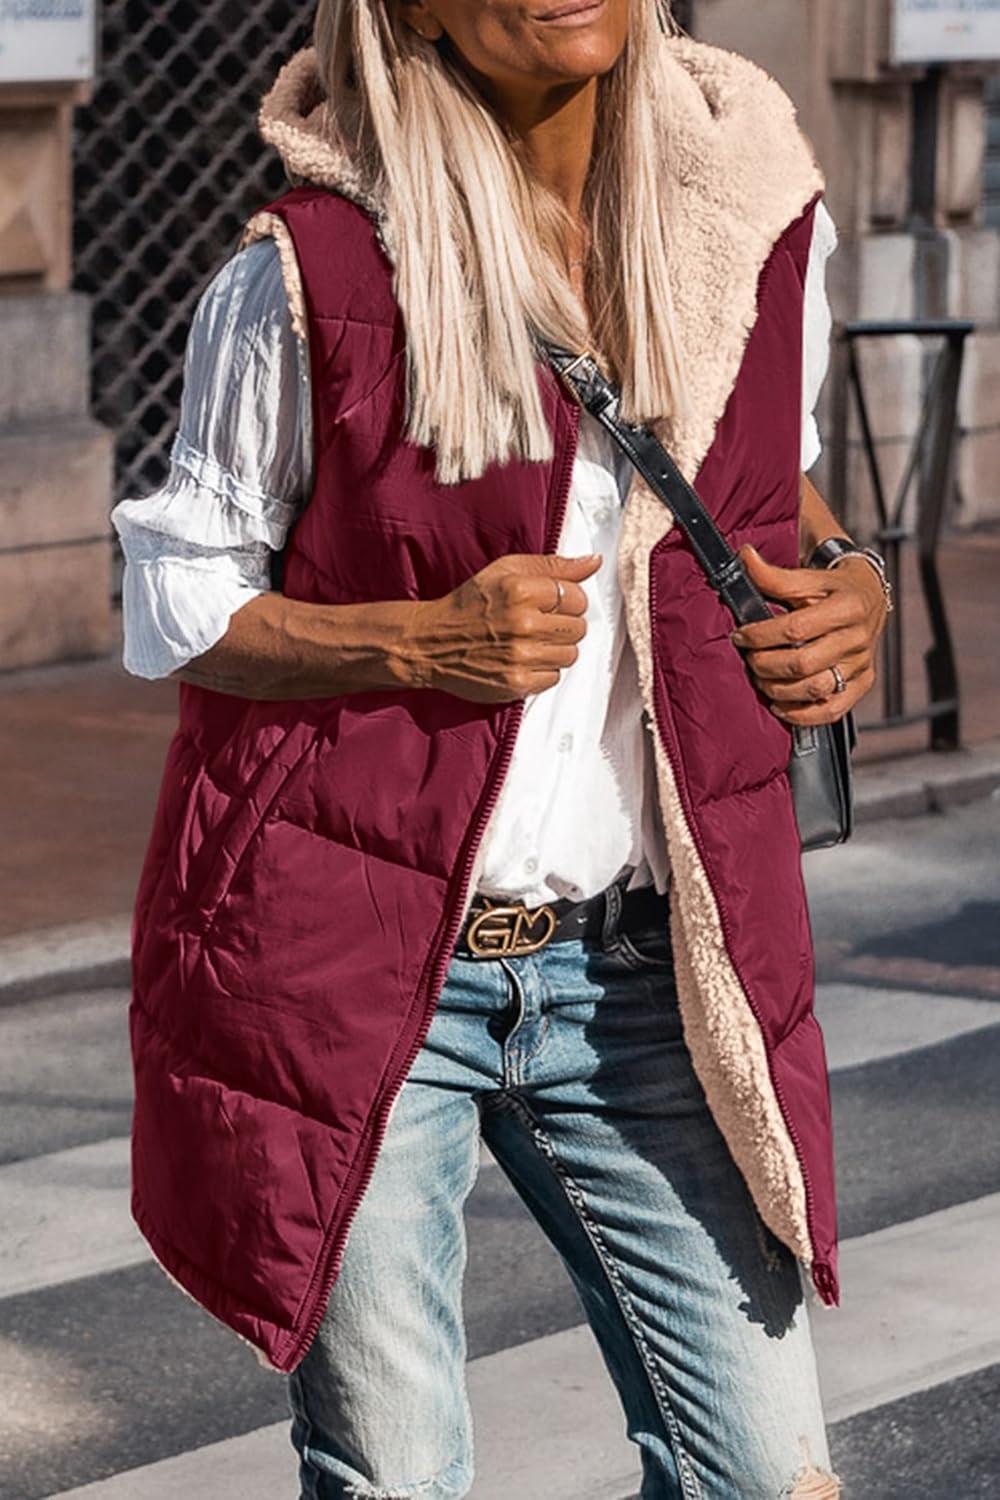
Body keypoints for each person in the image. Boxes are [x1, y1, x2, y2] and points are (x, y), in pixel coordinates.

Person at [113, 3, 890, 1495]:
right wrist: (416, 643)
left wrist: (855, 585)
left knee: (766, 1475)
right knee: (397, 1477)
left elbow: (771, 481)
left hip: (647, 966)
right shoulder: (309, 273)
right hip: (363, 962)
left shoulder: (752, 222)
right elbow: (177, 597)